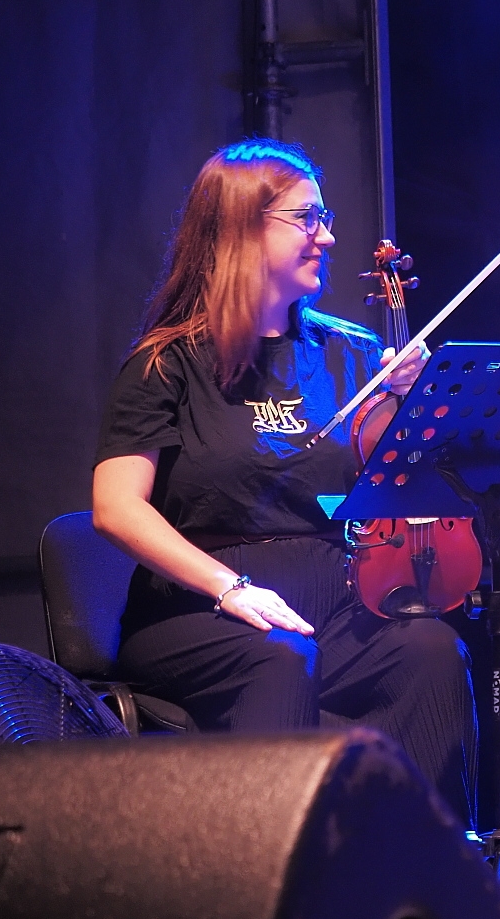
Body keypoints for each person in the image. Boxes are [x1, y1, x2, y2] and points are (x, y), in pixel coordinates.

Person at [92, 139, 478, 823]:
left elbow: (398, 491)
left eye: (324, 218)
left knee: (430, 650)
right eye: (307, 219)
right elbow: (116, 509)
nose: (326, 237)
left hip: (337, 597)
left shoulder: (353, 354)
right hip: (202, 606)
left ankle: (416, 869)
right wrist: (230, 588)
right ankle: (271, 870)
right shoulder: (166, 363)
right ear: (241, 227)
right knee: (280, 656)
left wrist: (410, 406)